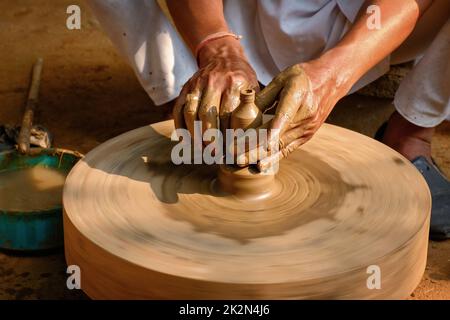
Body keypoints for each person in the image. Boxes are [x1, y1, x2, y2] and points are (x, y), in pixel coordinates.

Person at [88, 0, 449, 239]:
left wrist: (334, 75)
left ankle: (411, 131)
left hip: (377, 23)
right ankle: (184, 100)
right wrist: (218, 47)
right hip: (242, 15)